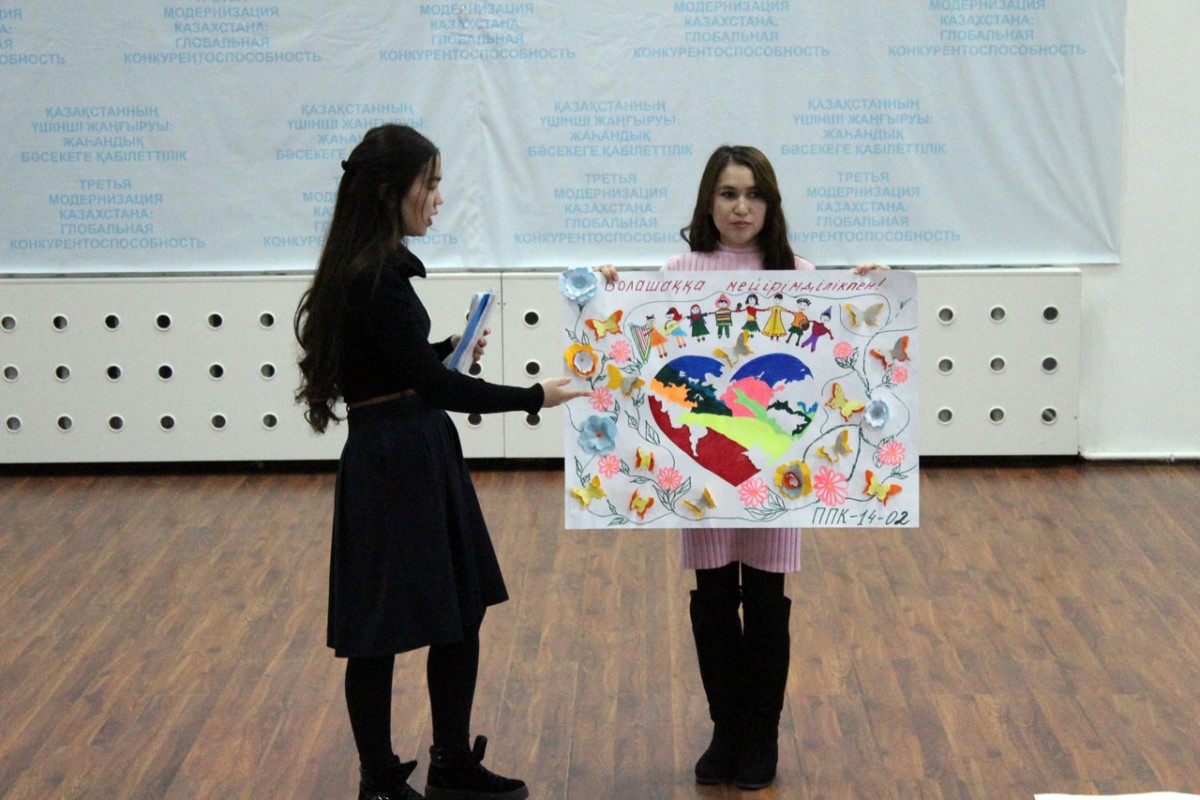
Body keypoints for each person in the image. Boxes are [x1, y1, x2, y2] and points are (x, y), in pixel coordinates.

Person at [294, 124, 586, 800]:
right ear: (390, 192)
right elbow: (436, 387)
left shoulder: (365, 270)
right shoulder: (376, 279)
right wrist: (534, 396)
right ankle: (394, 777)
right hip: (401, 458)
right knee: (386, 630)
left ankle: (437, 765)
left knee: (444, 612)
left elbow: (399, 367)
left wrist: (444, 349)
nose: (438, 198)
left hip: (399, 450)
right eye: (429, 184)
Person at [600, 144, 885, 791]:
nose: (740, 207)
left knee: (765, 601)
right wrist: (606, 291)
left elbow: (838, 362)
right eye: (728, 193)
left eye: (754, 194)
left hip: (773, 475)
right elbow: (639, 349)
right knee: (711, 602)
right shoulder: (677, 272)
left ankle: (761, 734)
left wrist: (876, 289)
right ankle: (725, 729)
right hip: (701, 475)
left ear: (771, 204)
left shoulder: (799, 273)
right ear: (708, 200)